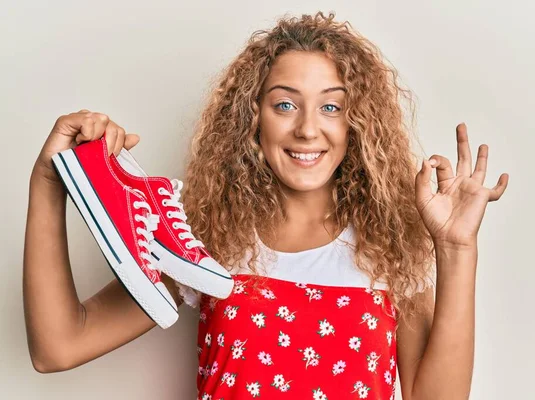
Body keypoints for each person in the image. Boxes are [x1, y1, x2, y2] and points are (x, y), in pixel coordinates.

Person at [23, 11, 508, 400]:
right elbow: (58, 346)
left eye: (331, 106)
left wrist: (456, 248)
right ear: (251, 118)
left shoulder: (390, 250)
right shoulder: (202, 239)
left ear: (356, 122)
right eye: (285, 104)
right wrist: (48, 182)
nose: (307, 129)